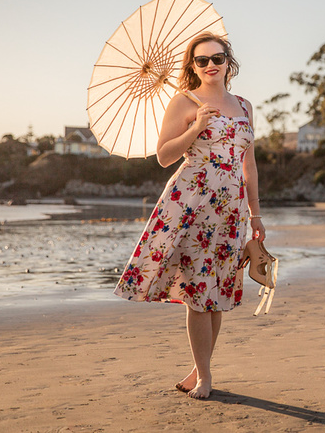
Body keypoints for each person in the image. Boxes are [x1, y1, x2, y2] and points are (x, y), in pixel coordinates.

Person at [113, 31, 265, 399]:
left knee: (218, 293)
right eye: (202, 60)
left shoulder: (244, 106)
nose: (211, 65)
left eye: (217, 58)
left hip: (231, 212)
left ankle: (198, 370)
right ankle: (205, 379)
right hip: (191, 205)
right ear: (192, 65)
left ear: (229, 61)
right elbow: (165, 156)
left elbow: (250, 167)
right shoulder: (183, 101)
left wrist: (256, 217)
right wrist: (196, 126)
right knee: (199, 292)